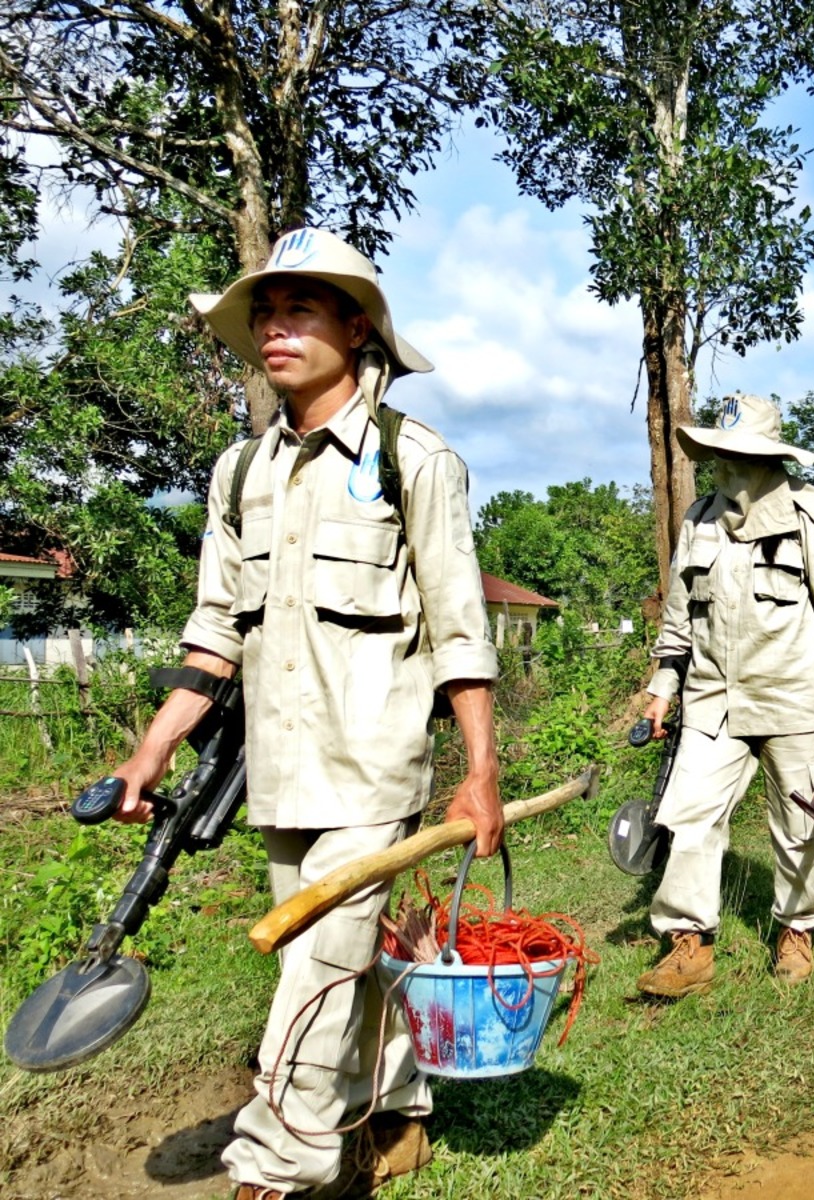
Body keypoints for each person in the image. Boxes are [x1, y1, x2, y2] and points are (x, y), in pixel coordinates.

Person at [109, 228, 502, 1200]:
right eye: (266, 314)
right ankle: (402, 1105)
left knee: (315, 969)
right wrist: (152, 750)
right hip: (283, 772)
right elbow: (214, 633)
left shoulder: (416, 460)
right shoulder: (240, 475)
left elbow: (460, 628)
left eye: (301, 309)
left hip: (374, 767)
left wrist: (480, 771)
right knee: (346, 960)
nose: (276, 329)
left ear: (356, 327)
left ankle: (275, 1173)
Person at [637, 394, 814, 998]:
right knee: (690, 816)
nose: (728, 462)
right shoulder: (697, 517)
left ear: (769, 457)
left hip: (794, 697)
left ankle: (795, 930)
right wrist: (663, 686)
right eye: (721, 450)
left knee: (798, 825)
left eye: (741, 452)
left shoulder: (808, 512)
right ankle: (689, 946)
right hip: (711, 696)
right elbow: (678, 616)